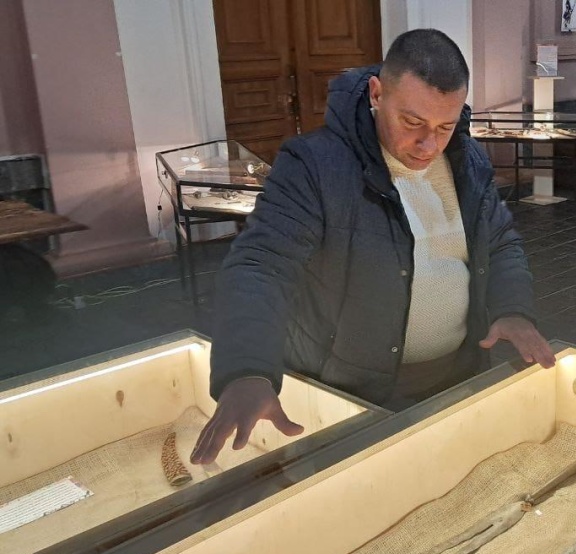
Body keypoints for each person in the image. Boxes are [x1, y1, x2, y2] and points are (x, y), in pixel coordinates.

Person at [192, 29, 555, 465]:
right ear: (377, 93)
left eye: (445, 126)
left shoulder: (468, 160)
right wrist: (247, 370)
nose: (429, 145)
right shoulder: (315, 165)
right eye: (412, 122)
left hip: (457, 377)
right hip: (354, 392)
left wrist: (512, 309)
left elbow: (499, 242)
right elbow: (261, 265)